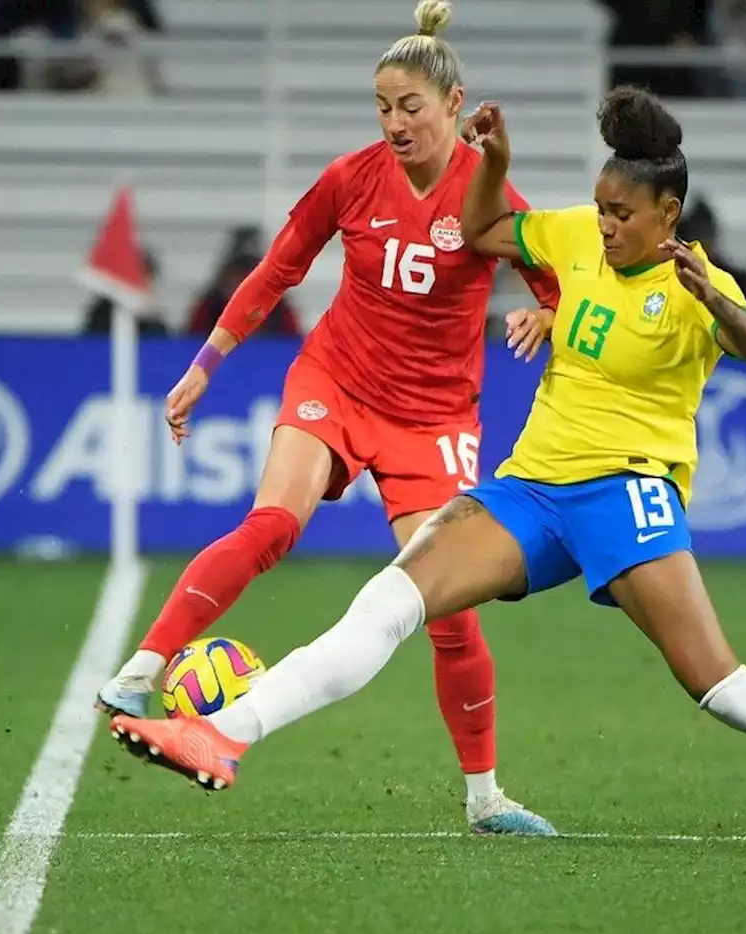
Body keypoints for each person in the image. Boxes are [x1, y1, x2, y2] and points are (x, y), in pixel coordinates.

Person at [110, 85, 746, 847]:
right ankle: (223, 733)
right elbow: (484, 229)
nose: (604, 224)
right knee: (387, 601)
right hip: (530, 490)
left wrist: (714, 297)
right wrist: (500, 160)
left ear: (668, 216)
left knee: (722, 687)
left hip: (628, 493)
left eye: (622, 215)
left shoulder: (696, 282)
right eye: (600, 206)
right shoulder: (570, 236)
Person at [96, 0, 560, 837]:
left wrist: (549, 316)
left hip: (433, 417)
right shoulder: (350, 178)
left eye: (409, 107)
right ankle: (141, 669)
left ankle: (485, 797)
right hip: (337, 380)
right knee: (273, 523)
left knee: (448, 612)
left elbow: (558, 277)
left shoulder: (488, 195)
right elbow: (276, 272)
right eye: (382, 107)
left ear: (454, 105)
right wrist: (205, 367)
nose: (393, 123)